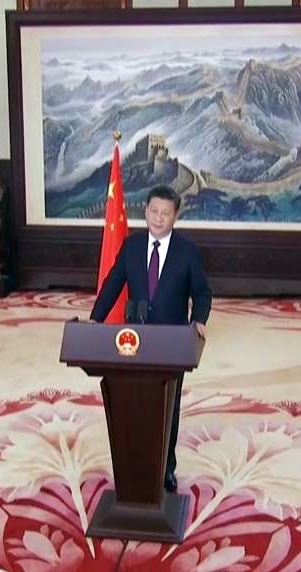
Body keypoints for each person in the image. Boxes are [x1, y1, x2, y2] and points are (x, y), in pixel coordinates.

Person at [90, 185, 212, 492]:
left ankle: (166, 468)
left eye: (165, 213)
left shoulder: (188, 251)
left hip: (173, 342)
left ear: (175, 216)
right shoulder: (131, 246)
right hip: (134, 340)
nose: (158, 218)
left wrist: (199, 319)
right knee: (134, 404)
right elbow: (112, 284)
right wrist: (95, 319)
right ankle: (134, 467)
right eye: (153, 211)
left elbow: (201, 291)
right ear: (145, 211)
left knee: (168, 409)